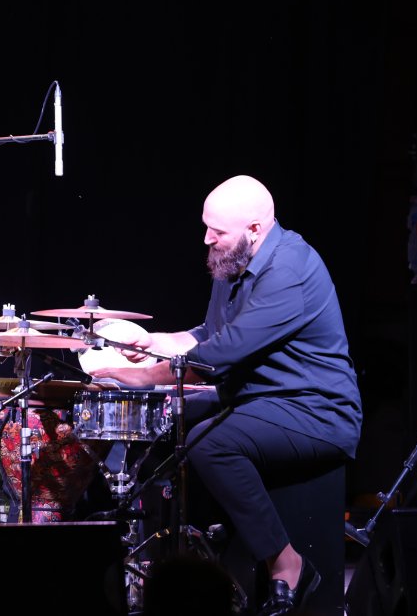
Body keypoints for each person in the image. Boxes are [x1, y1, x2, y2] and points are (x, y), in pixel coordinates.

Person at [89, 175, 362, 616]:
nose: (207, 238)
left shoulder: (290, 270)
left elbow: (217, 357)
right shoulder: (231, 260)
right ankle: (176, 568)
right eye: (206, 227)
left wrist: (138, 377)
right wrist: (153, 341)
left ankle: (287, 561)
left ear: (255, 229)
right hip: (258, 397)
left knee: (209, 445)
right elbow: (209, 335)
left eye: (217, 231)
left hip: (314, 412)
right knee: (167, 419)